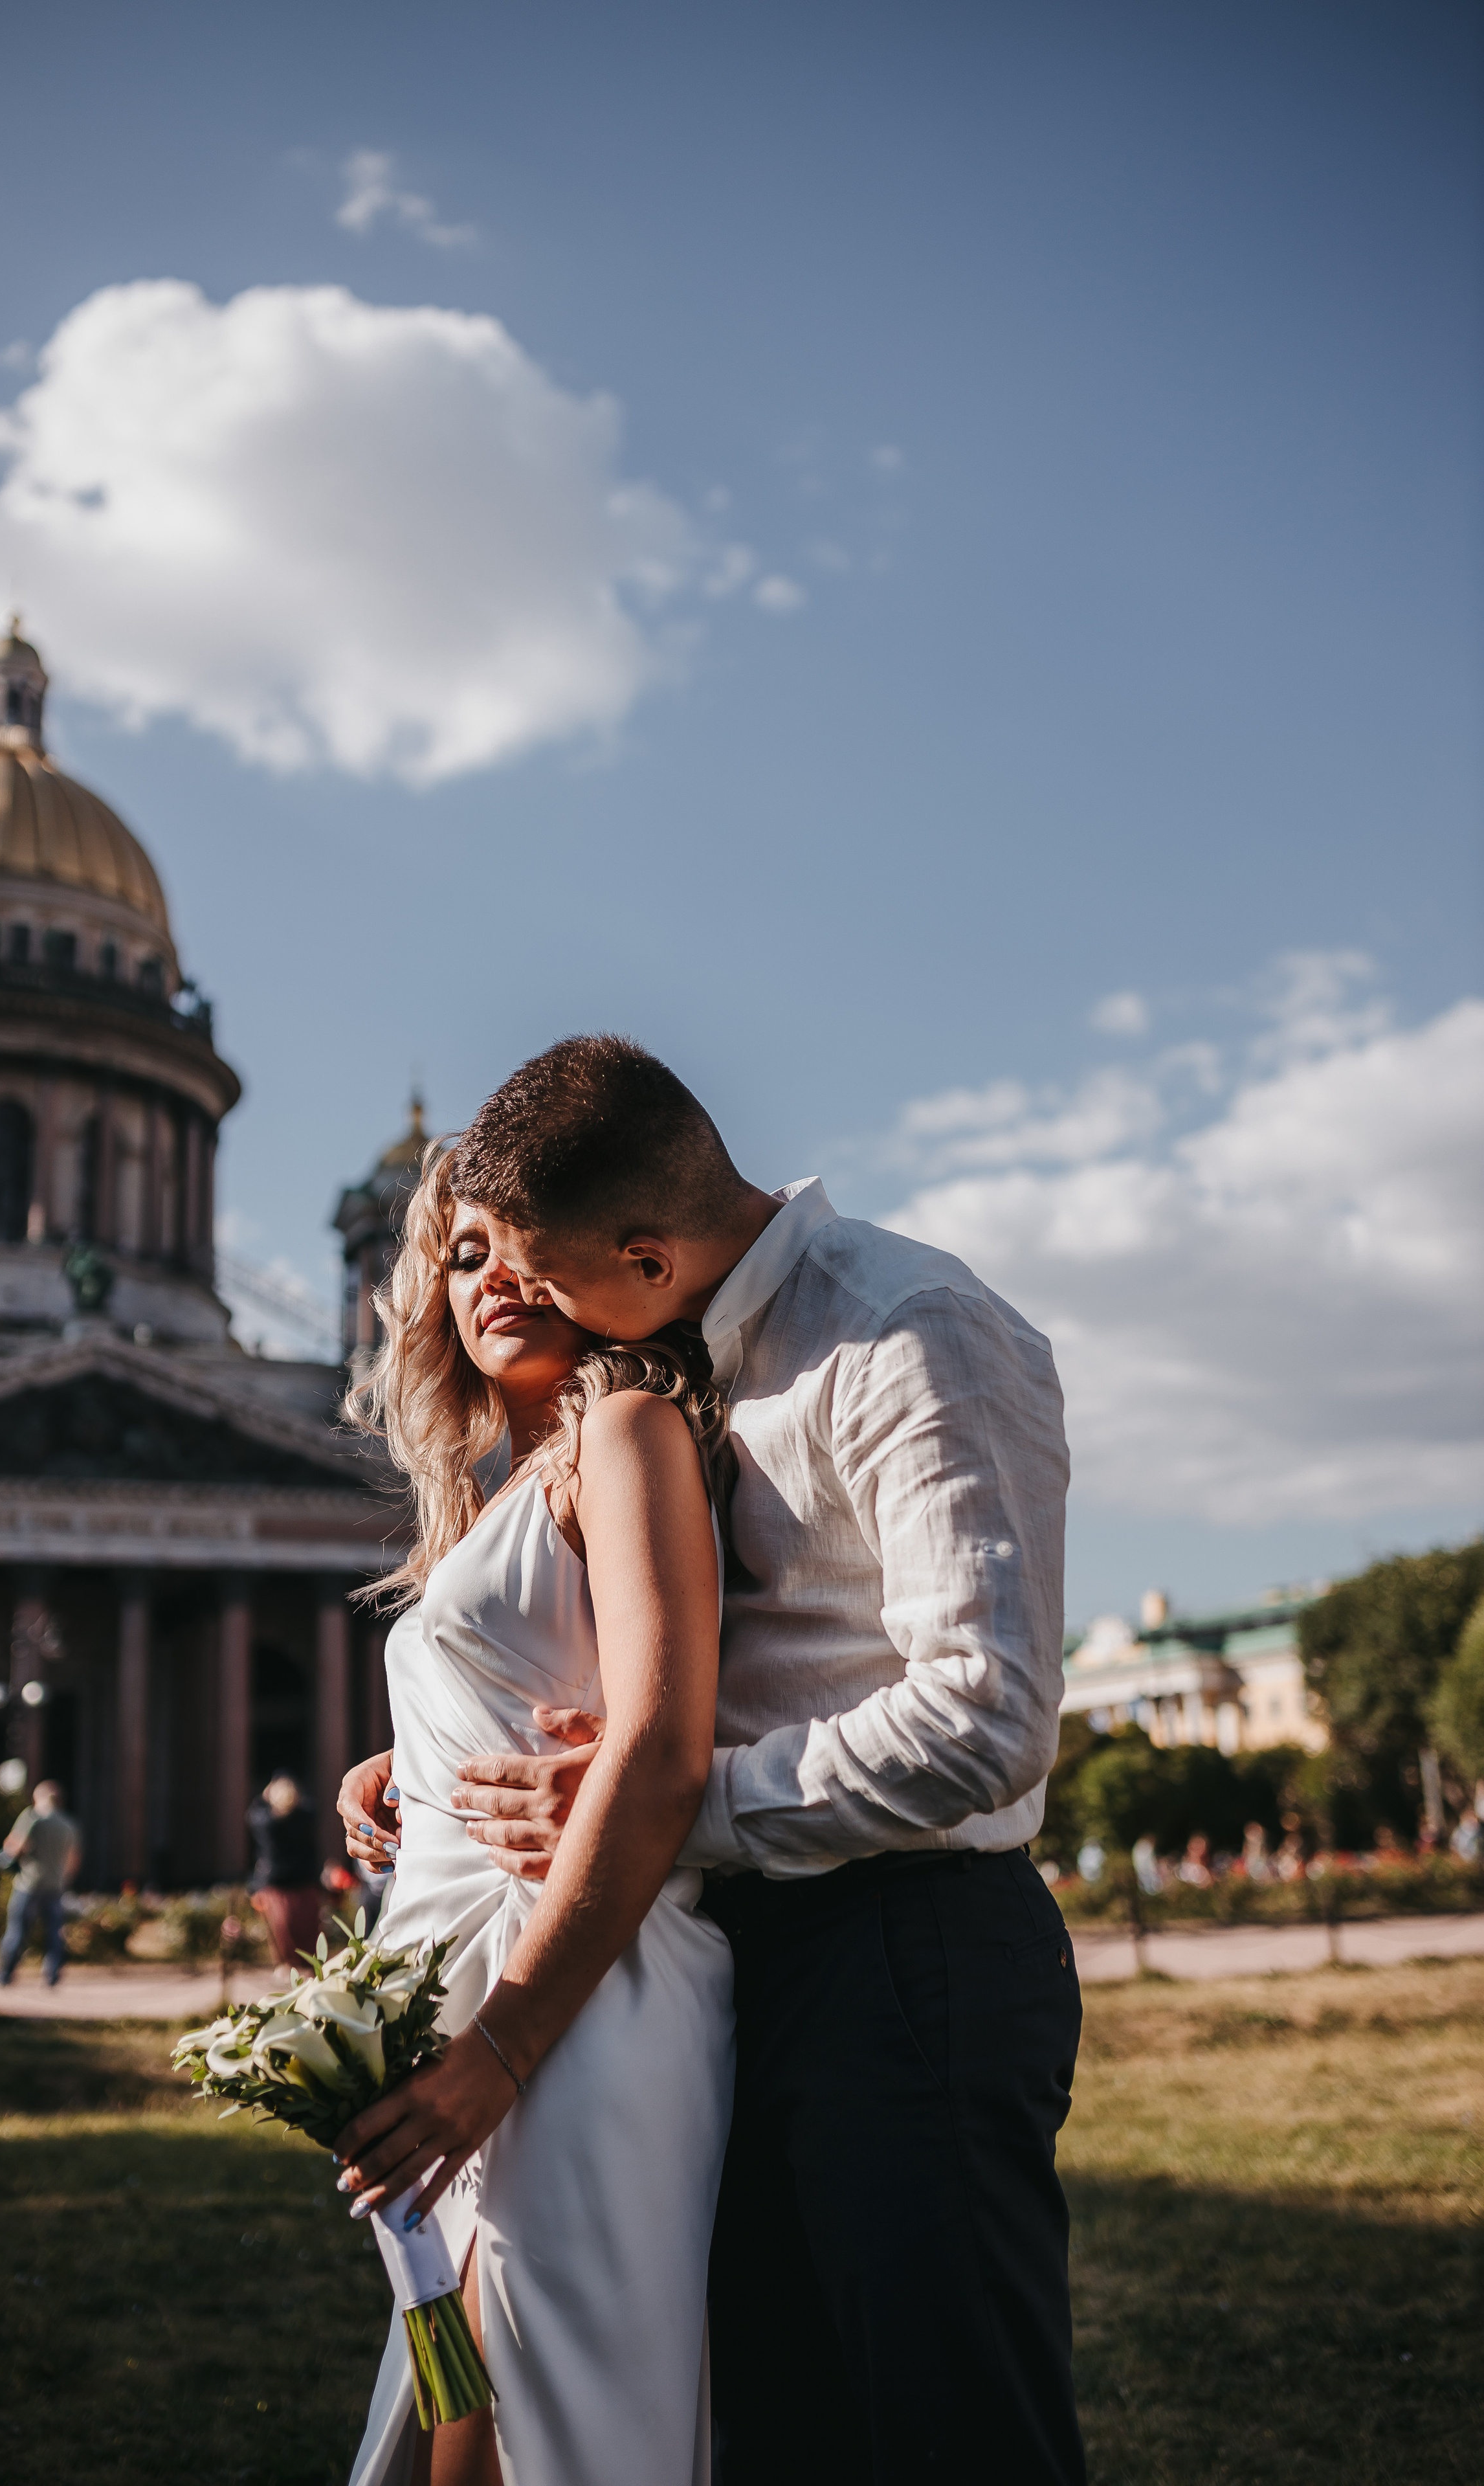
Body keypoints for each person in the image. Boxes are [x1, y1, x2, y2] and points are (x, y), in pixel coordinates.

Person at [342, 1036, 1085, 2486]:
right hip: (729, 1949)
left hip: (902, 1948)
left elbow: (987, 1716)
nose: (514, 1298)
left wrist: (666, 1806)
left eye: (544, 1277)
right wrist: (431, 1769)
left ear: (638, 1248)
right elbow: (627, 1657)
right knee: (770, 2429)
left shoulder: (904, 1327)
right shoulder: (681, 1358)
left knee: (948, 2428)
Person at [336, 1141, 734, 2486]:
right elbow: (534, 1680)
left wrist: (498, 2053)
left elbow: (660, 1735)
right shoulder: (484, 1496)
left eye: (519, 1244)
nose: (492, 1277)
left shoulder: (620, 1432)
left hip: (575, 1988)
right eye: (459, 1255)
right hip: (472, 1987)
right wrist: (400, 1770)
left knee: (544, 2409)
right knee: (462, 2392)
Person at [0, 1778, 80, 1987]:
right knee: (55, 1932)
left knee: (17, 1930)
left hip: (29, 1883)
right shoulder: (69, 1824)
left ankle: (5, 1974)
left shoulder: (32, 1818)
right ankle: (52, 1975)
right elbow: (74, 1859)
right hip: (56, 1885)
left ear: (39, 1798)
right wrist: (63, 1879)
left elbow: (15, 1847)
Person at [247, 1773, 324, 1971]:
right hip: (303, 1881)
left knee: (283, 1933)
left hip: (278, 1884)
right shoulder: (305, 1818)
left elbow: (253, 1813)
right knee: (307, 1930)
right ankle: (310, 1968)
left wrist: (264, 1797)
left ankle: (288, 1967)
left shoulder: (267, 1823)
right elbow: (311, 1807)